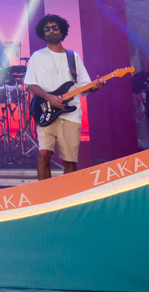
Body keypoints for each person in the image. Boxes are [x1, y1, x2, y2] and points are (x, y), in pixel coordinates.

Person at [24, 14, 104, 180]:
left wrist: (94, 86)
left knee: (69, 161)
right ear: (42, 33)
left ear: (62, 30)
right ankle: (45, 193)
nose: (51, 31)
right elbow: (31, 85)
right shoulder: (37, 56)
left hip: (70, 115)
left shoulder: (73, 57)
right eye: (47, 29)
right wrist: (50, 98)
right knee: (44, 155)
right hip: (45, 111)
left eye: (55, 27)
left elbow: (84, 85)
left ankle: (67, 194)